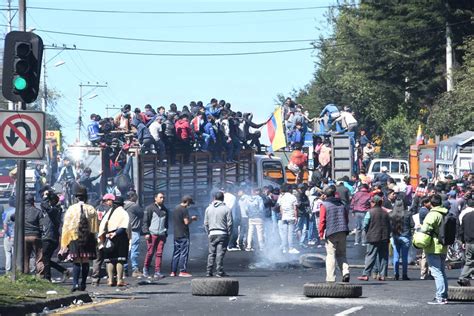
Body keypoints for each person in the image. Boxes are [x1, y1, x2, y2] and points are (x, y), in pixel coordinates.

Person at [60, 186, 98, 292]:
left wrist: (64, 243)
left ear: (76, 198)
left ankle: (75, 284)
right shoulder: (91, 209)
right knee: (85, 261)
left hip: (74, 238)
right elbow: (95, 227)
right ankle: (83, 283)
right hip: (88, 238)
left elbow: (66, 227)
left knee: (76, 261)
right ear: (86, 197)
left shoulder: (71, 209)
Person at [421, 194, 449, 305]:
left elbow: (426, 228)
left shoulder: (433, 214)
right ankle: (444, 295)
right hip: (443, 246)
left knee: (437, 272)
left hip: (433, 246)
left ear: (431, 203)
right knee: (441, 272)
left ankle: (440, 297)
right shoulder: (444, 212)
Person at [318, 185, 350, 283]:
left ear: (325, 195)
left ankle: (331, 278)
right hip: (343, 231)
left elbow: (322, 221)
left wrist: (321, 233)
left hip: (331, 232)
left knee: (331, 255)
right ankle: (345, 271)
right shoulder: (341, 204)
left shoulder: (324, 205)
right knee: (342, 254)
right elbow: (346, 218)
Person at [357, 195, 391, 281]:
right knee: (383, 257)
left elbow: (365, 225)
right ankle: (383, 275)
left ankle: (366, 274)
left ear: (374, 203)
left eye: (371, 202)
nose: (370, 203)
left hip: (373, 237)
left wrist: (368, 232)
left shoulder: (370, 212)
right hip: (384, 237)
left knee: (371, 255)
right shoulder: (385, 213)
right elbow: (389, 225)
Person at [99, 196, 131, 287]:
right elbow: (124, 226)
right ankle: (119, 280)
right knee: (119, 259)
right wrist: (116, 233)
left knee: (109, 259)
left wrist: (106, 235)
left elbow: (102, 225)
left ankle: (110, 280)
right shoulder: (123, 212)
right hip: (120, 237)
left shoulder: (109, 212)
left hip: (108, 237)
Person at [41, 189, 68, 281]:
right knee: (46, 258)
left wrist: (45, 197)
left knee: (45, 257)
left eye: (49, 201)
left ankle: (47, 278)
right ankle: (63, 270)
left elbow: (45, 206)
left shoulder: (55, 210)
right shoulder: (53, 209)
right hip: (48, 236)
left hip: (50, 237)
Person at [204, 191, 233, 277]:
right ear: (223, 198)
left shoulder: (208, 208)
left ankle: (209, 271)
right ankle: (219, 271)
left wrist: (208, 233)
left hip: (212, 233)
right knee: (220, 253)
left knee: (211, 253)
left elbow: (205, 223)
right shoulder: (226, 209)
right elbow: (230, 223)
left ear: (214, 198)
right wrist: (229, 233)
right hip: (222, 233)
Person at [142, 192, 169, 279]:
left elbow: (166, 223)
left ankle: (157, 271)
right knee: (150, 252)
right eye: (160, 197)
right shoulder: (150, 208)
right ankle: (145, 269)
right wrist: (146, 233)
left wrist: (165, 232)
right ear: (155, 198)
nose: (162, 199)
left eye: (163, 197)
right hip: (152, 234)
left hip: (161, 234)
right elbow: (145, 222)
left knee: (159, 253)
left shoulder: (165, 210)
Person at [171, 195, 198, 277]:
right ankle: (182, 271)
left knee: (176, 253)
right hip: (183, 234)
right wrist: (192, 219)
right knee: (184, 253)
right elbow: (186, 222)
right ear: (187, 202)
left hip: (176, 234)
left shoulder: (176, 208)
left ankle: (173, 271)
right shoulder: (184, 209)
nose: (189, 205)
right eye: (189, 203)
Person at [92, 194, 115, 286]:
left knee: (97, 258)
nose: (112, 202)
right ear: (107, 200)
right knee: (109, 257)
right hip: (105, 236)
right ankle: (110, 278)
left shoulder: (95, 209)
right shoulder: (110, 210)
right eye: (111, 200)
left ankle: (95, 279)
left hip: (96, 236)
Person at [389, 199, 414, 280]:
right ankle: (404, 274)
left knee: (395, 256)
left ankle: (396, 274)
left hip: (395, 236)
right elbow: (412, 225)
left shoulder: (391, 214)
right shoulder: (408, 213)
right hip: (405, 236)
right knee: (404, 257)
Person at [124, 191, 144, 278]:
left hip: (124, 230)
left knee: (125, 250)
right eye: (135, 196)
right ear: (132, 197)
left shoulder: (122, 205)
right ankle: (135, 269)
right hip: (134, 230)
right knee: (134, 250)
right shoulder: (134, 206)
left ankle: (124, 269)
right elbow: (141, 214)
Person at [277, 184, 299, 254]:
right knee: (290, 234)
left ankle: (284, 248)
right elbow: (295, 208)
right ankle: (291, 248)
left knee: (284, 234)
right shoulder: (293, 197)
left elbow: (281, 209)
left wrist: (283, 216)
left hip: (284, 217)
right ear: (290, 189)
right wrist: (296, 217)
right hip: (291, 217)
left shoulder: (281, 197)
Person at [24, 194, 44, 275]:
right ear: (33, 201)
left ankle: (25, 274)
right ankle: (40, 275)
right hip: (35, 236)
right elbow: (42, 225)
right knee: (39, 257)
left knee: (25, 258)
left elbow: (12, 217)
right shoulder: (38, 211)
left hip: (24, 236)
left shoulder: (21, 211)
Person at [457, 199, 474, 286]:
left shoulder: (466, 216)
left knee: (469, 261)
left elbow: (461, 230)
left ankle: (462, 277)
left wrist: (462, 241)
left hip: (468, 243)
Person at [2, 196, 15, 274]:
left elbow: (5, 226)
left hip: (8, 236)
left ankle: (8, 272)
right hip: (17, 237)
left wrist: (6, 234)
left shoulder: (6, 212)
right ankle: (16, 270)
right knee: (15, 255)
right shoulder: (19, 211)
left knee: (8, 254)